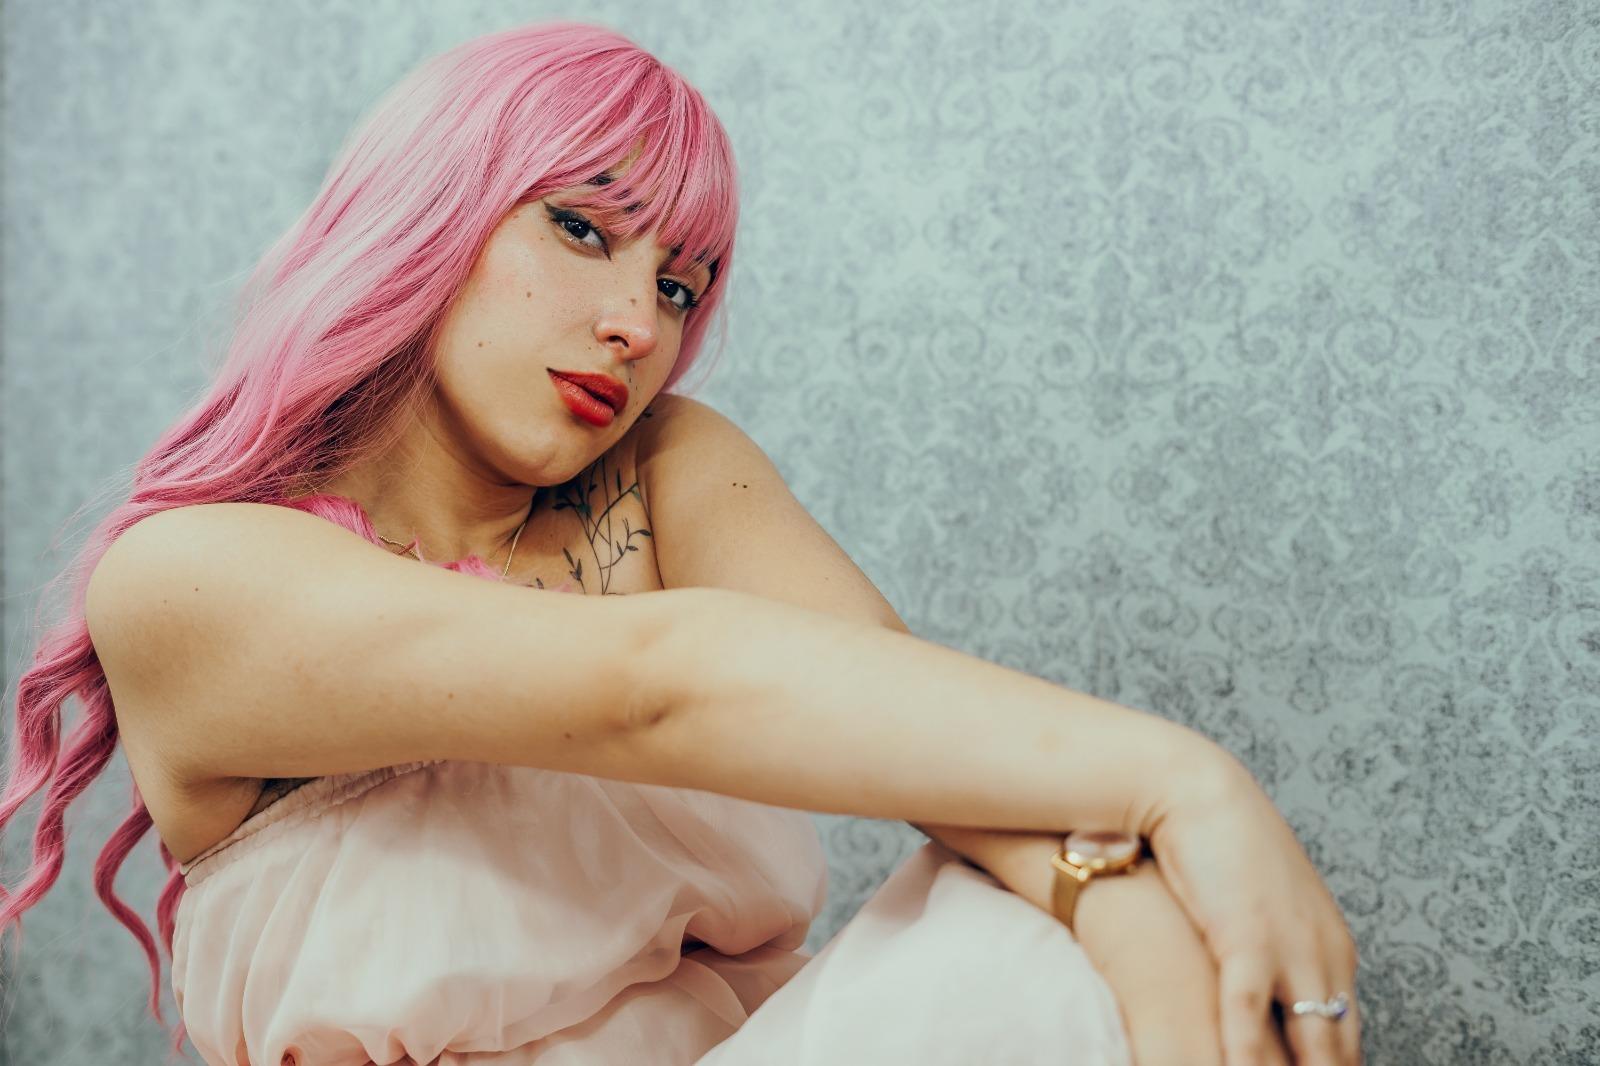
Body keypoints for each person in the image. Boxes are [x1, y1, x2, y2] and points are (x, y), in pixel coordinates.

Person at [0, 21, 1360, 1066]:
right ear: (430, 211)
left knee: (1055, 922)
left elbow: (893, 707)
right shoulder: (187, 578)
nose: (638, 325)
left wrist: (1113, 902)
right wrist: (1186, 783)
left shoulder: (661, 469)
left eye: (679, 284)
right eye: (581, 229)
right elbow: (651, 684)